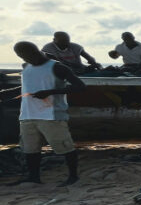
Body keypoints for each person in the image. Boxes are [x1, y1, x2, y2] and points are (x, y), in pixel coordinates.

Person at [11, 41, 86, 186]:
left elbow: (80, 87)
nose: (24, 59)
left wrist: (50, 92)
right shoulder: (26, 67)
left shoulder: (57, 67)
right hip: (27, 115)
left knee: (65, 147)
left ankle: (73, 176)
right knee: (30, 149)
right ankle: (34, 177)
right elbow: (26, 87)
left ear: (35, 51)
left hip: (52, 115)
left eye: (25, 55)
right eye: (20, 56)